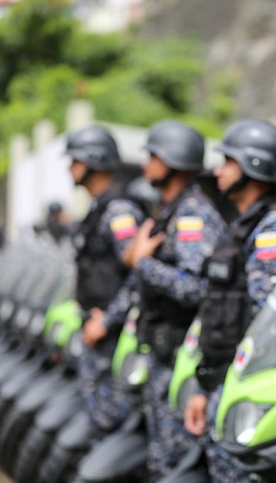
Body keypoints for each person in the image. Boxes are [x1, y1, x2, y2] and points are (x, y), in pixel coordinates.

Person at [182, 119, 276, 482]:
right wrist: (204, 387)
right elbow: (221, 312)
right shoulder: (242, 226)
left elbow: (267, 326)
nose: (218, 171)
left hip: (248, 394)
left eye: (228, 161)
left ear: (255, 165)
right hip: (224, 383)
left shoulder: (275, 229)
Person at [124, 120, 228, 479]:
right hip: (162, 351)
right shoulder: (171, 210)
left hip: (182, 360)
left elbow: (198, 287)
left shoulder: (192, 214)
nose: (146, 164)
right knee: (160, 461)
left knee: (174, 464)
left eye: (153, 156)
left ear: (173, 160)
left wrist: (143, 263)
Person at [64, 125, 147, 438]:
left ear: (93, 161)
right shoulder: (99, 207)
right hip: (95, 330)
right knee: (96, 420)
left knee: (110, 422)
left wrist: (108, 320)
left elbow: (140, 273)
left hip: (113, 336)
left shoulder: (119, 211)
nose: (69, 168)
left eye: (75, 160)